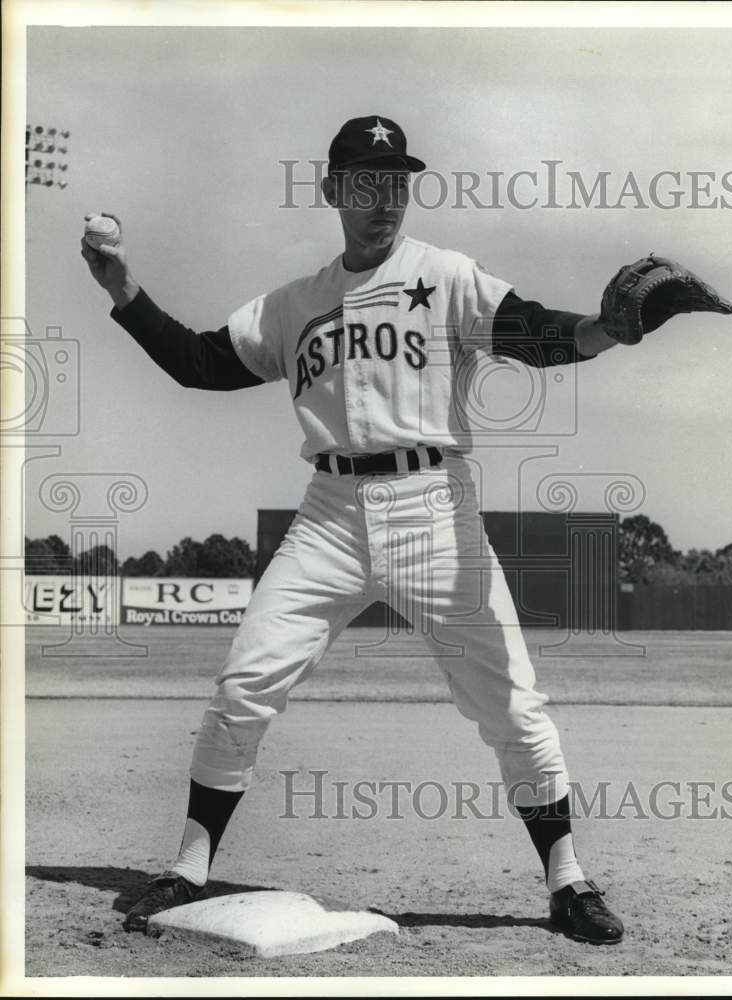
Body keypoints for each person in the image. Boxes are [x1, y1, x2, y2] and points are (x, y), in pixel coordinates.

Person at [82, 115, 626, 945]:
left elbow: (540, 334)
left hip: (434, 507)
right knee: (244, 684)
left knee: (512, 703)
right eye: (367, 183)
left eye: (398, 183)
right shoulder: (296, 304)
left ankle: (569, 881)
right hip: (330, 517)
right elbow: (199, 363)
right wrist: (123, 288)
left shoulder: (444, 276)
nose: (385, 200)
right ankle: (186, 867)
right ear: (334, 190)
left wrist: (606, 330)